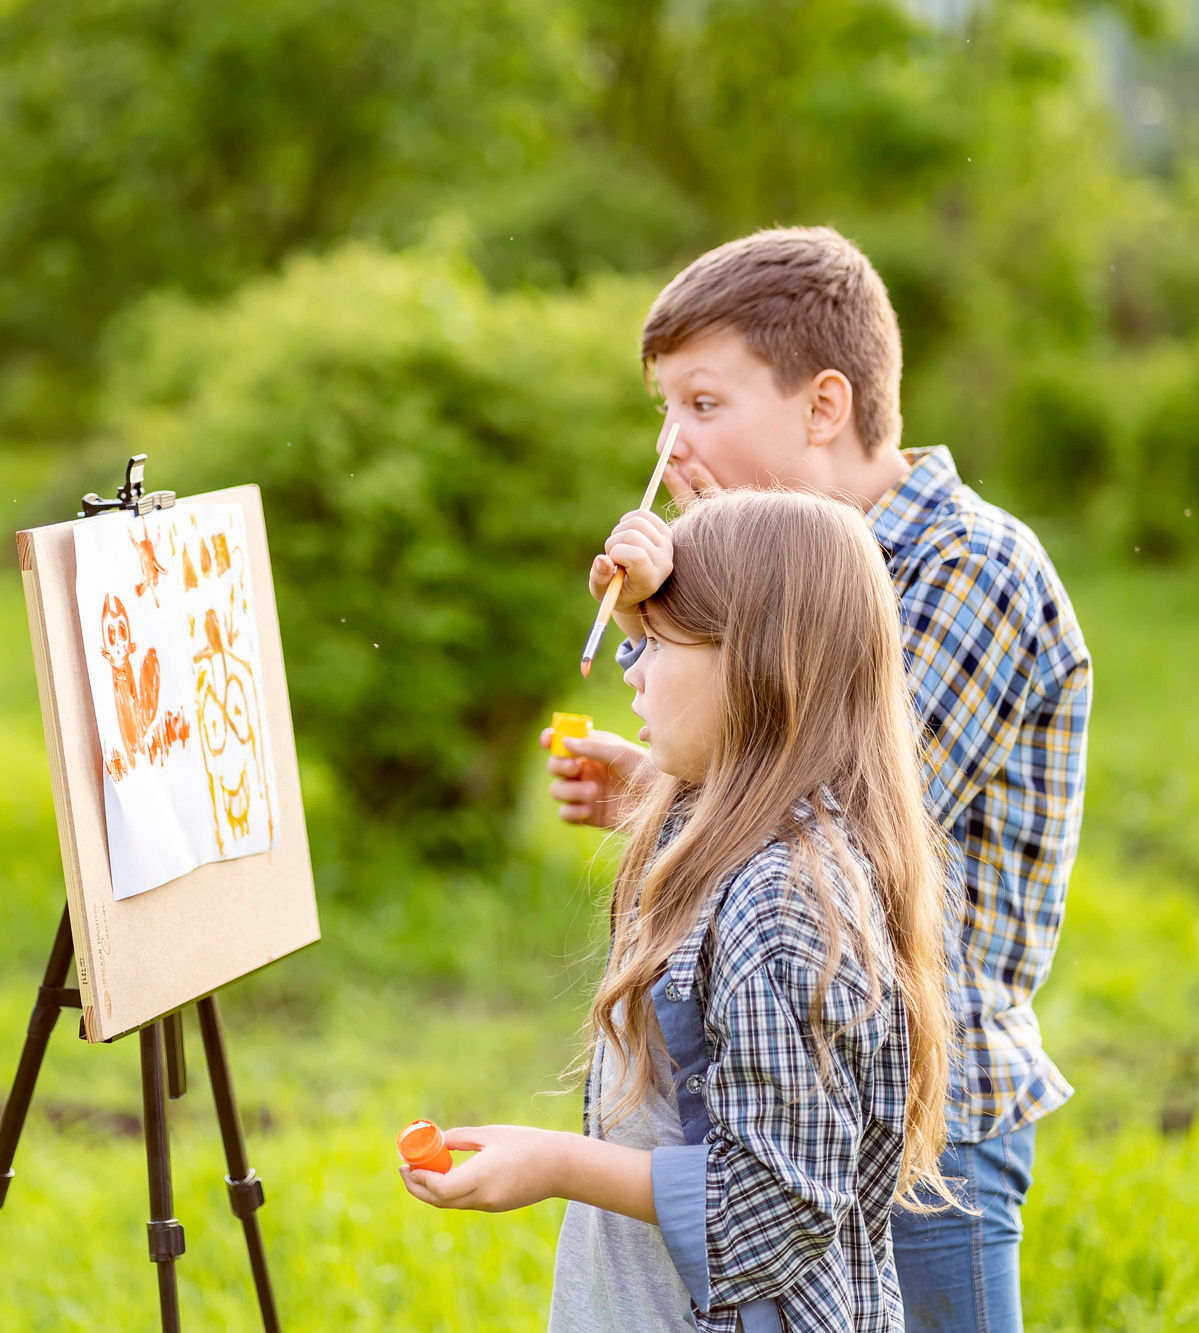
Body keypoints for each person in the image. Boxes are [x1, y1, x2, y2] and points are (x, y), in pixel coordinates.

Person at [545, 227, 1093, 1333]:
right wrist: (656, 784)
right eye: (663, 411)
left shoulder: (962, 568)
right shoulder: (782, 571)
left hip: (928, 1135)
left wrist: (678, 778)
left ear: (822, 406)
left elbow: (833, 816)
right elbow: (762, 784)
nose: (671, 444)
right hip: (787, 1088)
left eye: (702, 405)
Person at [401, 490, 959, 1333]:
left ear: (755, 667)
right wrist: (645, 609)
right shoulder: (738, 826)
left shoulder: (783, 901)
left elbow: (775, 1206)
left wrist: (557, 1162)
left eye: (654, 644)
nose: (631, 668)